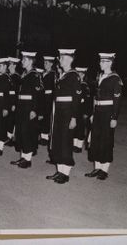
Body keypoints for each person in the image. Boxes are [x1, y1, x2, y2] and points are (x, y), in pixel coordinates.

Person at [85, 53, 123, 180]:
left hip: (108, 112)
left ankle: (104, 170)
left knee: (106, 140)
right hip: (98, 111)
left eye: (103, 62)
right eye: (100, 61)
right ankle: (97, 167)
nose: (100, 64)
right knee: (96, 139)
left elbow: (117, 100)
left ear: (110, 63)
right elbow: (95, 97)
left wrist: (114, 117)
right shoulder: (100, 76)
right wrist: (93, 113)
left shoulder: (115, 78)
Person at [46, 49, 81, 184]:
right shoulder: (63, 75)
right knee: (58, 140)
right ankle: (59, 171)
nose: (60, 60)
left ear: (70, 60)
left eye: (63, 58)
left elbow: (76, 99)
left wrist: (74, 117)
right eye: (60, 58)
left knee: (66, 142)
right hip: (59, 112)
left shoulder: (74, 76)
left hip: (67, 113)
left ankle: (65, 173)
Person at [10, 51, 44, 169]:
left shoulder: (35, 75)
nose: (21, 61)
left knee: (28, 132)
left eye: (24, 60)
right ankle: (23, 157)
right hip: (22, 107)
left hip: (29, 108)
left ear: (30, 61)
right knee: (21, 132)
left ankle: (28, 159)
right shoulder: (25, 74)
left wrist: (35, 110)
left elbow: (38, 94)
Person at [73, 67, 91, 153]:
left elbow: (87, 101)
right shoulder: (77, 84)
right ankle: (74, 144)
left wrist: (86, 112)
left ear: (83, 75)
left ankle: (79, 146)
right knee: (75, 127)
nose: (78, 75)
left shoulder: (84, 86)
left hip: (82, 110)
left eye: (80, 73)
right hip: (76, 110)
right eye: (77, 73)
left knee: (80, 128)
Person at [39, 55, 56, 146]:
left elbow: (54, 88)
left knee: (46, 117)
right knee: (40, 115)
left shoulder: (53, 74)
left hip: (49, 98)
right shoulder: (42, 73)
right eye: (44, 63)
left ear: (51, 64)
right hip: (42, 97)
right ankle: (41, 135)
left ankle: (45, 137)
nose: (45, 65)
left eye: (47, 63)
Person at [5, 57, 21, 147]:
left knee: (12, 120)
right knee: (8, 119)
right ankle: (7, 136)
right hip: (8, 100)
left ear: (14, 65)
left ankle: (11, 138)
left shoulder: (17, 77)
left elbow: (17, 92)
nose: (8, 66)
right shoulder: (9, 76)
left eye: (10, 64)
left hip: (13, 102)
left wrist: (15, 103)